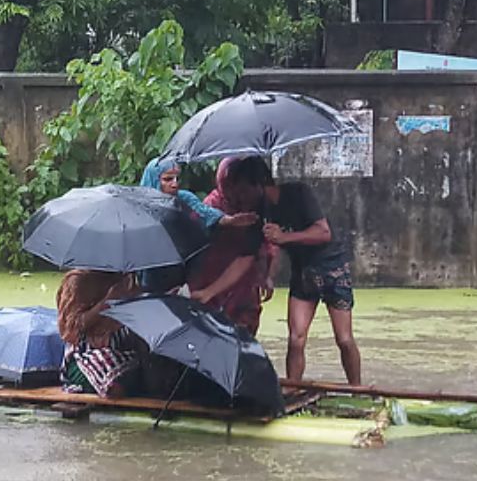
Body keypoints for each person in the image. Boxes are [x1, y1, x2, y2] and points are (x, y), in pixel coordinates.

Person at [231, 157, 361, 385]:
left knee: (344, 338)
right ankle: (293, 388)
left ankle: (358, 389)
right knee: (296, 338)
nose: (241, 198)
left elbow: (323, 232)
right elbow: (245, 258)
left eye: (244, 191)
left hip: (332, 269)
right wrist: (267, 277)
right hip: (303, 274)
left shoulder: (299, 193)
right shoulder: (260, 213)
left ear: (260, 184)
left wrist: (285, 237)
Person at [138, 157, 260, 307]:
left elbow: (205, 213)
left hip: (182, 271)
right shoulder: (139, 209)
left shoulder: (184, 199)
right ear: (154, 180)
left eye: (177, 178)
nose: (175, 183)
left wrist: (230, 220)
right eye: (168, 179)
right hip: (151, 273)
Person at [192, 158, 279, 335]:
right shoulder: (211, 205)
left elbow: (264, 245)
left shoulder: (260, 206)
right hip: (213, 276)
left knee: (244, 331)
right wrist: (226, 222)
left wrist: (267, 274)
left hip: (246, 281)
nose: (242, 197)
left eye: (247, 190)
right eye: (237, 189)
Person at [56, 269, 143, 398]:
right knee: (115, 384)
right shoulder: (77, 281)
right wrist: (107, 301)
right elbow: (72, 328)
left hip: (124, 350)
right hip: (86, 356)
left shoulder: (125, 278)